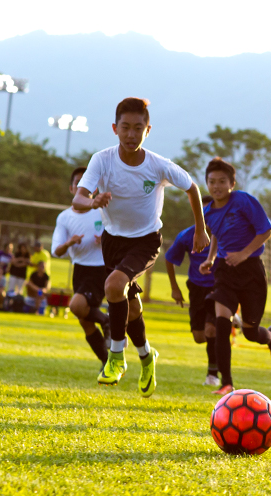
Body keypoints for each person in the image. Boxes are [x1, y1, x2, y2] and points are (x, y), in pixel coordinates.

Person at [72, 97, 209, 398]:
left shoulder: (157, 165)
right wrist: (93, 201)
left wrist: (200, 229)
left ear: (148, 129)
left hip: (146, 240)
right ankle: (147, 358)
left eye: (138, 128)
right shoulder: (102, 160)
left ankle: (116, 357)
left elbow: (192, 187)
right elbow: (77, 200)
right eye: (125, 128)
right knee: (130, 308)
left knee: (113, 285)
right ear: (115, 128)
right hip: (113, 241)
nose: (131, 134)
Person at [198, 158, 271, 395]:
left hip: (252, 271)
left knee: (250, 332)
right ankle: (227, 383)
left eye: (222, 181)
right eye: (212, 182)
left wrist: (244, 254)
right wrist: (211, 258)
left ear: (232, 183)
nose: (216, 186)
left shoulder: (243, 200)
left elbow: (266, 230)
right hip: (225, 272)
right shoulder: (208, 212)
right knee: (222, 324)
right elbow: (215, 234)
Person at [52, 166, 112, 367]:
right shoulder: (64, 217)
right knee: (84, 320)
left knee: (76, 306)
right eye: (78, 183)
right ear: (72, 189)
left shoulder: (103, 212)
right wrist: (69, 243)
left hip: (100, 269)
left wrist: (105, 240)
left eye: (87, 183)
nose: (83, 187)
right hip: (79, 270)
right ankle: (107, 362)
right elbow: (56, 251)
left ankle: (106, 321)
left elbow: (120, 237)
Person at [164, 196, 224, 386]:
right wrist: (175, 288)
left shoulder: (224, 235)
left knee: (211, 330)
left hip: (218, 287)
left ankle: (212, 375)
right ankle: (227, 325)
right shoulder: (186, 236)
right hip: (196, 288)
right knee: (200, 337)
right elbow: (169, 258)